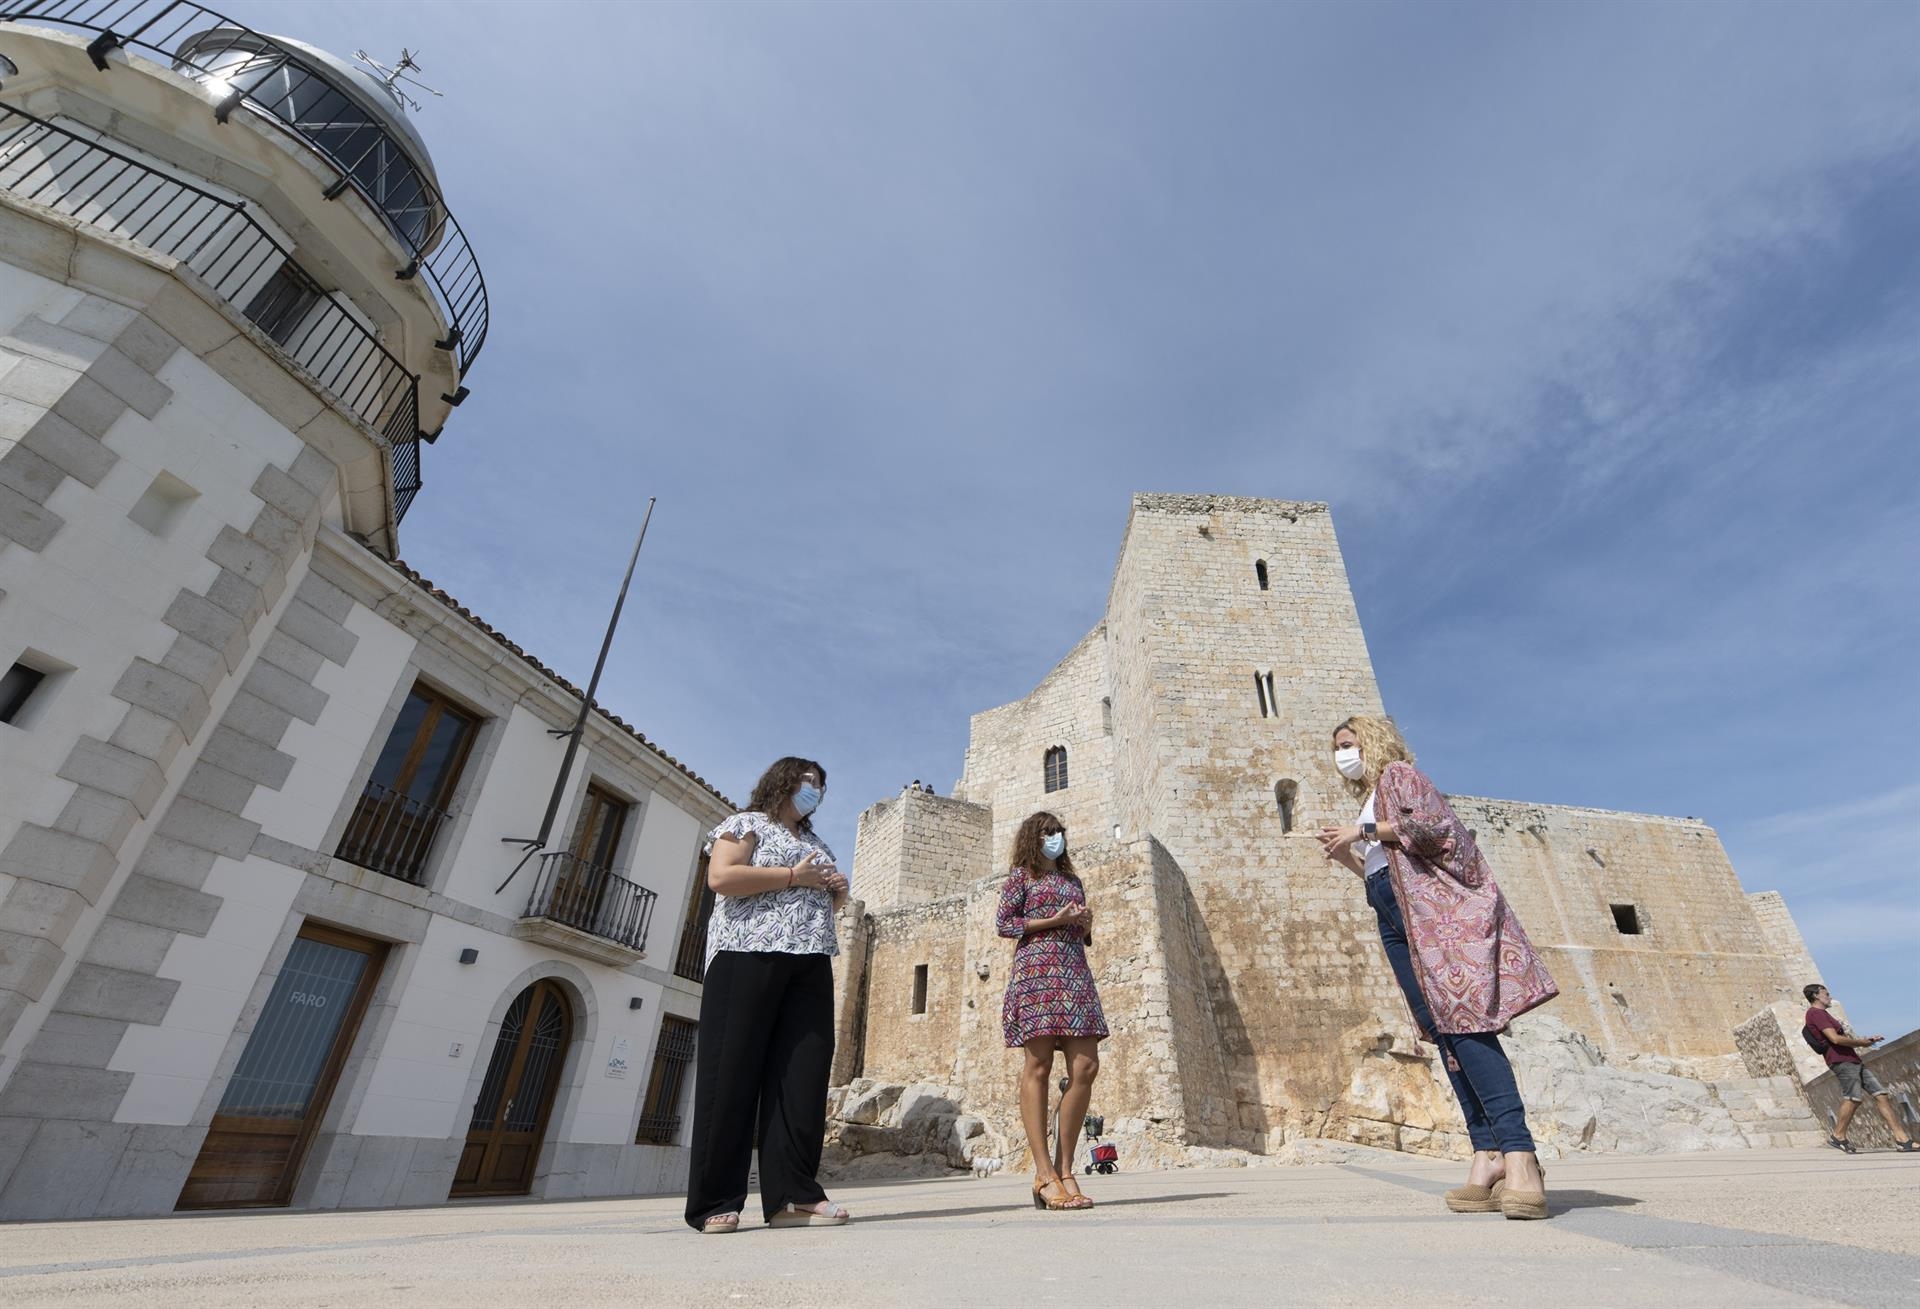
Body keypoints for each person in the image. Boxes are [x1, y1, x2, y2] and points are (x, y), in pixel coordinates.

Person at [1317, 715, 1561, 1220]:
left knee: (1465, 1023)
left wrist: (1360, 829)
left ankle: (1520, 1155)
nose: (1342, 755)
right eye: (1337, 748)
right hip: (1390, 908)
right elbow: (1378, 870)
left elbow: (1436, 830)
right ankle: (1486, 1152)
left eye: (1347, 744)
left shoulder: (1397, 776)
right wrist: (1346, 852)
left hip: (1429, 912)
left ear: (1371, 740)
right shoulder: (1368, 800)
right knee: (1441, 1032)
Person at [684, 757, 853, 1233]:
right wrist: (793, 877)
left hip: (810, 960)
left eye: (820, 786)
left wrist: (834, 891)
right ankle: (715, 1200)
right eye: (808, 783)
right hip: (745, 955)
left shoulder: (814, 843)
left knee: (803, 1076)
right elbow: (721, 878)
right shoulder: (746, 824)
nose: (815, 791)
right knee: (732, 1072)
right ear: (783, 782)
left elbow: (818, 902)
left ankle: (793, 1198)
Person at [997, 811, 1107, 1211]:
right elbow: (1005, 924)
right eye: (1047, 832)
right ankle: (1044, 1173)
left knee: (1085, 1067)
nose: (1054, 837)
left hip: (1074, 972)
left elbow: (1081, 934)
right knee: (1039, 1065)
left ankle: (1066, 1167)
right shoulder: (1020, 878)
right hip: (1037, 972)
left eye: (1058, 831)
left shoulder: (1072, 881)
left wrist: (1085, 925)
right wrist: (1052, 920)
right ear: (1032, 838)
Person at [1803, 984, 1916, 1153]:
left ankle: (1902, 1140)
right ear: (1816, 996)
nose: (1830, 997)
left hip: (1852, 1059)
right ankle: (1838, 1136)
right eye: (1826, 994)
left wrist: (1866, 1040)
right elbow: (1835, 1039)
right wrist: (1863, 1043)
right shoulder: (1816, 1014)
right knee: (1853, 1098)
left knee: (1881, 1094)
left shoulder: (1823, 1014)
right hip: (1841, 1061)